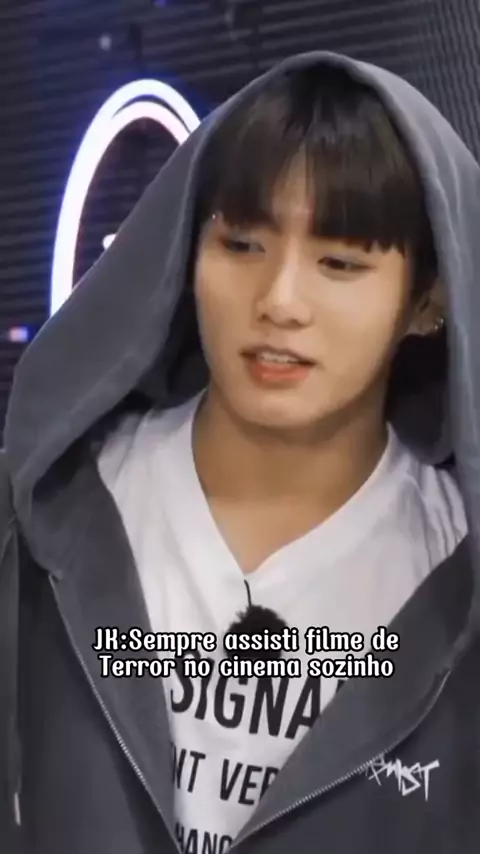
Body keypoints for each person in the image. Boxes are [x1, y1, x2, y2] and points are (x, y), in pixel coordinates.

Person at [1, 51, 480, 854]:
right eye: (241, 244)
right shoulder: (50, 511)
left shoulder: (454, 572)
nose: (280, 301)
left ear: (427, 300)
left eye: (340, 263)